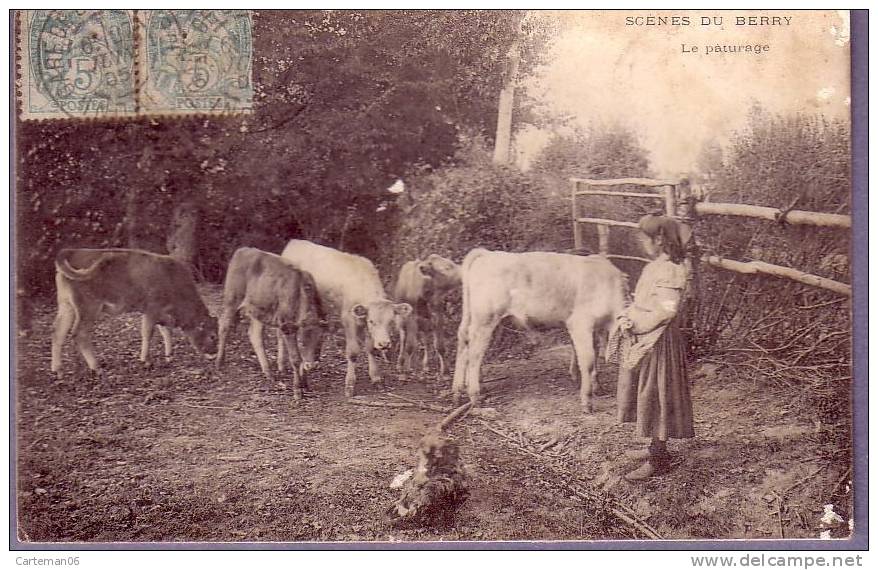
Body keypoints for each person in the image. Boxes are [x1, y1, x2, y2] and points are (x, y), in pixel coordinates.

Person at [613, 214, 695, 481]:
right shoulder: (655, 267)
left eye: (644, 237)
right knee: (645, 394)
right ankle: (652, 446)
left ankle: (659, 458)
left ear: (659, 239)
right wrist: (628, 315)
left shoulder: (671, 269)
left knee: (658, 396)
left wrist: (637, 325)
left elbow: (665, 312)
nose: (641, 242)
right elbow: (644, 303)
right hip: (646, 337)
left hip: (659, 340)